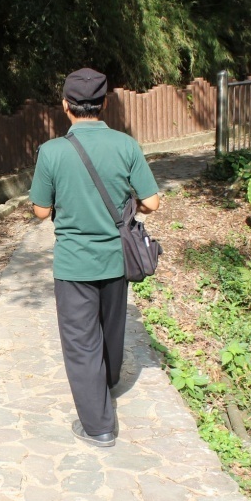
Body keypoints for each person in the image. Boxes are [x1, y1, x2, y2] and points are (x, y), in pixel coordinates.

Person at [29, 68, 161, 447]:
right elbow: (151, 202)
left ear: (65, 105)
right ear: (104, 104)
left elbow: (40, 211)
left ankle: (99, 426)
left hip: (73, 264)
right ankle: (109, 382)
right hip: (116, 260)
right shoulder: (126, 146)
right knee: (112, 325)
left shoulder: (52, 152)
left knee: (81, 341)